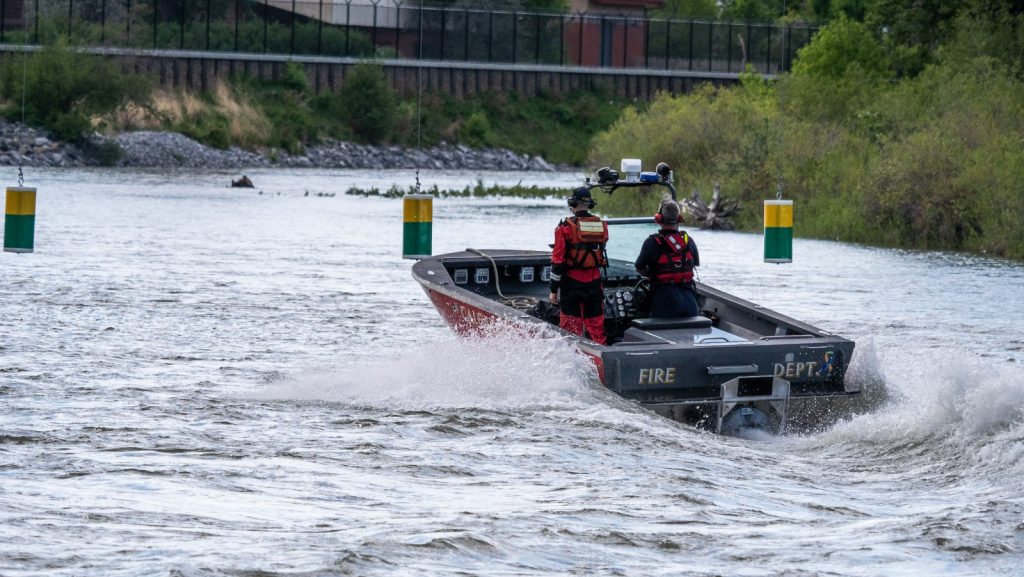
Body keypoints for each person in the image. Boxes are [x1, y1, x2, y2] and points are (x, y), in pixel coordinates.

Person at [549, 187, 608, 345]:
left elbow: (557, 261)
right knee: (596, 327)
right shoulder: (602, 226)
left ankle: (571, 360)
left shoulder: (564, 228)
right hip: (595, 283)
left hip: (572, 283)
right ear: (590, 204)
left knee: (570, 329)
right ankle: (600, 357)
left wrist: (553, 290)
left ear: (572, 203)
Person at [634, 196, 701, 318]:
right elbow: (693, 264)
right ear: (679, 219)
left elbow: (639, 267)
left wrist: (652, 274)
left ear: (659, 219)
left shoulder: (652, 242)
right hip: (690, 305)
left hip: (664, 305)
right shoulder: (688, 241)